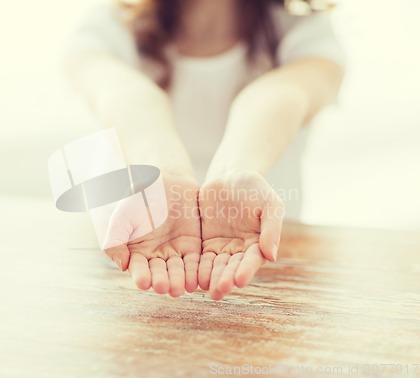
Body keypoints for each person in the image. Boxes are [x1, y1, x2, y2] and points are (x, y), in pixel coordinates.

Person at [64, 0, 345, 300]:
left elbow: (279, 94)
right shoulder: (109, 25)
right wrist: (163, 172)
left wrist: (233, 172)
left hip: (262, 266)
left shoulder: (303, 30)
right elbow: (124, 94)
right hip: (133, 259)